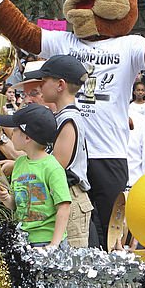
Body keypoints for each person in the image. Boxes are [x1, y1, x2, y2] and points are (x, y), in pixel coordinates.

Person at [0, 104, 71, 248]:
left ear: (27, 137)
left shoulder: (51, 167)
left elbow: (64, 207)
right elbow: (18, 205)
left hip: (47, 241)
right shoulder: (19, 164)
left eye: (16, 130)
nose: (11, 133)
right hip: (24, 239)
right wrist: (7, 199)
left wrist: (54, 244)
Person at [37, 55, 93, 247]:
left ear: (60, 85)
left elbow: (56, 165)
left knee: (69, 267)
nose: (40, 87)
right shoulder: (62, 116)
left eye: (44, 82)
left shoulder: (69, 119)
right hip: (63, 198)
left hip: (71, 198)